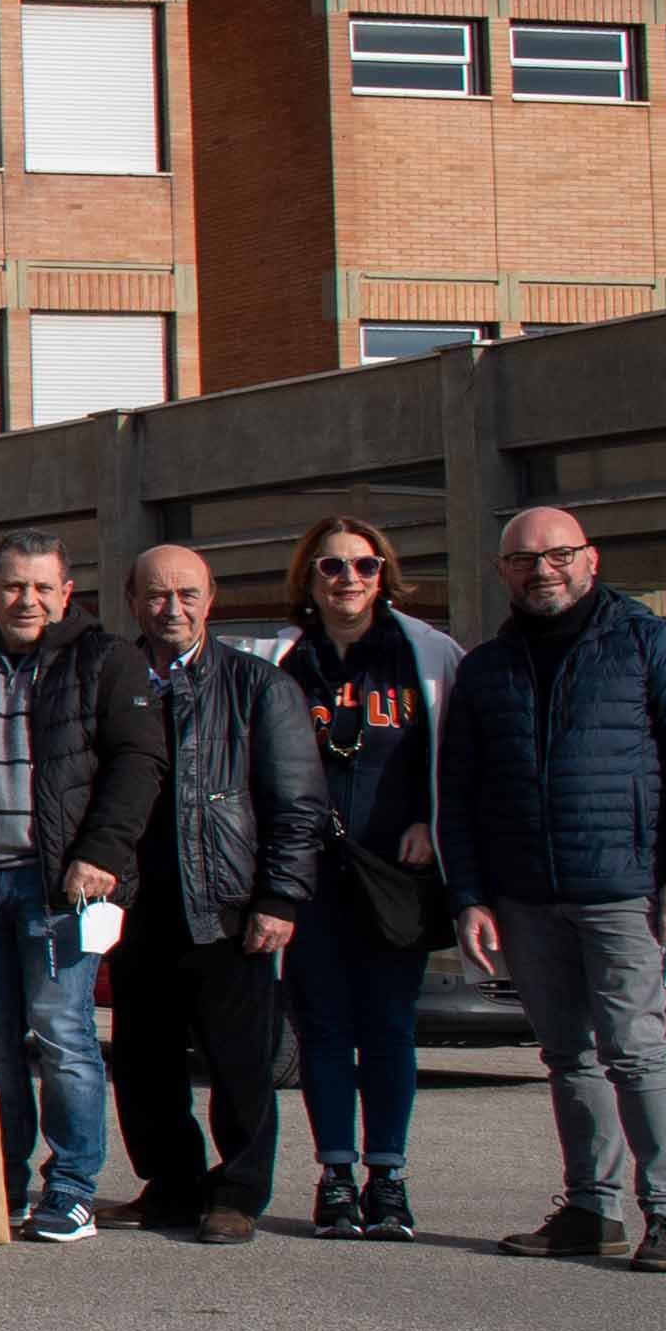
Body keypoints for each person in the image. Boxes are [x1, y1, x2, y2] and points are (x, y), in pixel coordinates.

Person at [441, 504, 666, 1273]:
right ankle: (591, 1208)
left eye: (559, 555)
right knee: (567, 1055)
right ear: (503, 571)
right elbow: (460, 791)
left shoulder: (649, 645)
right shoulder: (488, 668)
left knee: (635, 1051)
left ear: (591, 559)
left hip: (624, 890)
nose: (542, 570)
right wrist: (470, 895)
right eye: (523, 559)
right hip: (524, 895)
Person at [0, 530, 163, 1242]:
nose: (29, 600)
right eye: (15, 586)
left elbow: (138, 763)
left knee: (63, 1034)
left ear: (66, 593)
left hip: (59, 888)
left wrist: (101, 852)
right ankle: (4, 1179)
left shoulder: (106, 660)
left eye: (44, 587)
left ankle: (72, 1187)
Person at [107, 545, 324, 1245]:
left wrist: (280, 898)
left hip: (227, 904)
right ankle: (170, 1186)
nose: (172, 608)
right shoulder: (113, 677)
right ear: (132, 600)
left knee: (239, 1062)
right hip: (133, 905)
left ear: (211, 599)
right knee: (143, 1062)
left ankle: (237, 1192)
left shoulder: (259, 685)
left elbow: (297, 804)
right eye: (157, 595)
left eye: (187, 594)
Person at [261, 517, 463, 1240]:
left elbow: (460, 758)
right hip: (312, 873)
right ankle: (336, 1178)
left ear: (384, 575)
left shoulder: (426, 654)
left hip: (395, 873)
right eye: (332, 566)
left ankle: (389, 1180)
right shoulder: (285, 662)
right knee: (321, 1027)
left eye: (364, 565)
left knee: (388, 1026)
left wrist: (431, 823)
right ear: (308, 578)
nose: (349, 579)